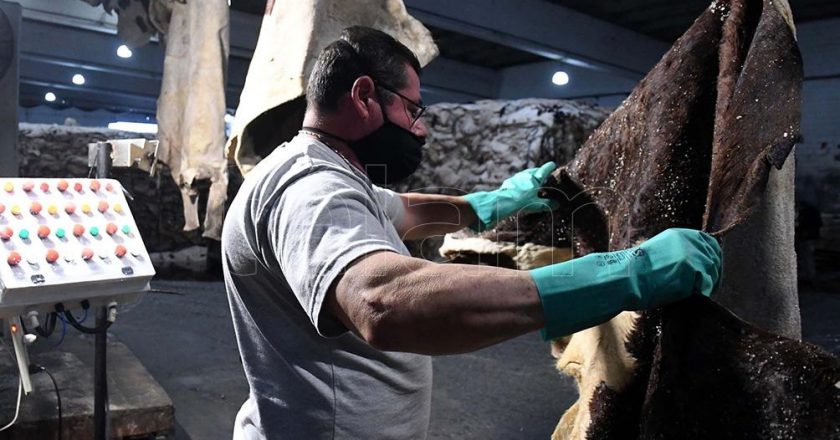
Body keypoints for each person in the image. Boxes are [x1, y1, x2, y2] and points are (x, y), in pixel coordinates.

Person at [222, 26, 722, 439]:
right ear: (365, 95)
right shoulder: (309, 187)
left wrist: (490, 204)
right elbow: (382, 302)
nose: (420, 129)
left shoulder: (325, 171)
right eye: (412, 110)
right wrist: (621, 274)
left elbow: (406, 212)